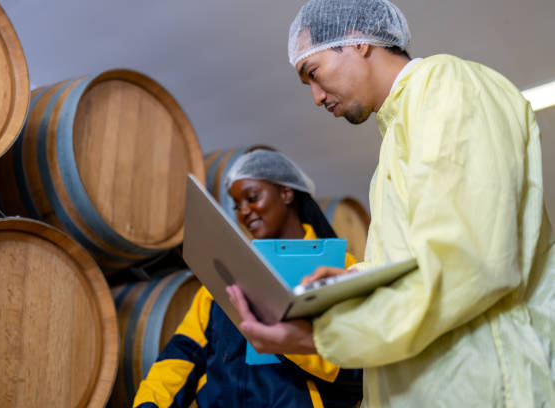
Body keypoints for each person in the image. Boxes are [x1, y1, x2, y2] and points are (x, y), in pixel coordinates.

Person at [227, 0, 555, 406]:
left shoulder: (448, 86)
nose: (314, 97)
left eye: (313, 73)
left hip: (480, 388)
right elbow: (415, 261)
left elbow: (469, 263)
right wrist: (347, 284)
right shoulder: (397, 136)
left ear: (356, 41)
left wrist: (321, 336)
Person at [133, 149, 363, 408]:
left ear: (286, 193)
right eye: (237, 204)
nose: (244, 211)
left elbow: (360, 366)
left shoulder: (341, 268)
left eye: (252, 198)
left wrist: (291, 342)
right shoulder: (227, 273)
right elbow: (182, 353)